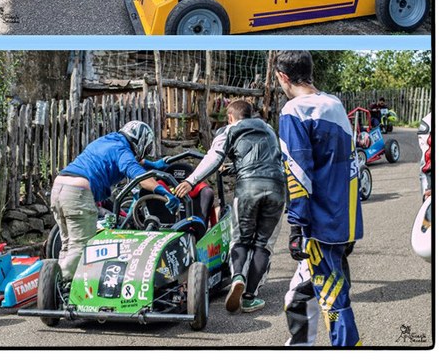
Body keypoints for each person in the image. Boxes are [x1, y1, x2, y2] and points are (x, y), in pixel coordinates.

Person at [275, 51, 362, 347]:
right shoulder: (334, 104)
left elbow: (298, 171)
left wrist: (296, 226)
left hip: (319, 226)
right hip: (342, 221)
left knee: (333, 301)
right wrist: (351, 226)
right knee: (301, 295)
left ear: (283, 77)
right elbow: (352, 165)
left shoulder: (294, 110)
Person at [175, 100, 285, 314]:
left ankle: (238, 277)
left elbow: (214, 157)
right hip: (277, 188)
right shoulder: (269, 129)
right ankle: (250, 297)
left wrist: (191, 181)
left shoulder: (229, 130)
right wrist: (234, 167)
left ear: (231, 117)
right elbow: (271, 160)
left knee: (241, 239)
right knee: (264, 244)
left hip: (248, 188)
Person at [50, 121, 181, 283]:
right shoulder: (122, 150)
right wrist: (164, 192)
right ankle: (62, 284)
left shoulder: (108, 141)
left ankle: (53, 284)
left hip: (59, 188)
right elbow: (139, 176)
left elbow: (133, 161)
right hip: (78, 193)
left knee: (67, 245)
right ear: (140, 142)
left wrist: (152, 165)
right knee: (81, 248)